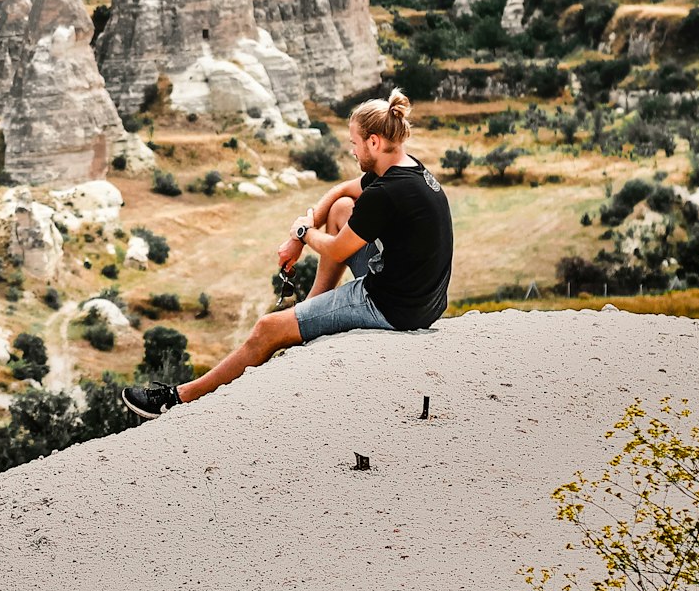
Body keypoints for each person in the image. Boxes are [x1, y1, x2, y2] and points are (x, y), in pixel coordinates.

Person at [123, 89, 453, 417]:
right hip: (424, 298)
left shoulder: (387, 193)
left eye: (354, 143)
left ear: (374, 142)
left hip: (393, 307)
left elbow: (338, 248)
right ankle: (312, 310)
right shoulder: (406, 169)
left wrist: (304, 233)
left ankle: (176, 399)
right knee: (340, 210)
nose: (352, 151)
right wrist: (299, 237)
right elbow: (341, 192)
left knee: (267, 329)